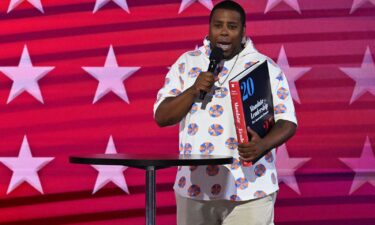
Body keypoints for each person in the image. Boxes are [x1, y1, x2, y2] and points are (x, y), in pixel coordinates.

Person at [153, 1, 297, 224]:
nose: (224, 32)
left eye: (232, 26)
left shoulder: (264, 67)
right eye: (218, 25)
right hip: (194, 188)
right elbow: (162, 117)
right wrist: (193, 90)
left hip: (251, 189)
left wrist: (262, 145)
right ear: (209, 29)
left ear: (243, 31)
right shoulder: (187, 63)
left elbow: (287, 121)